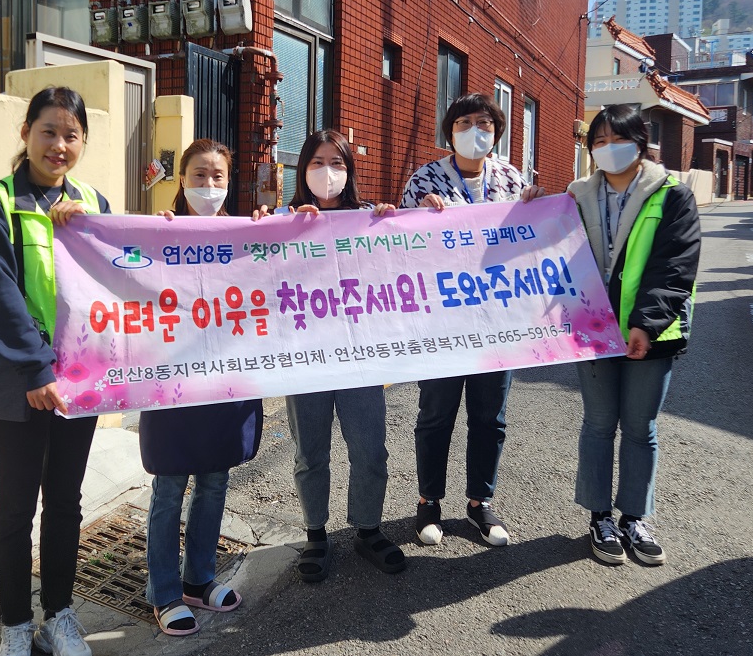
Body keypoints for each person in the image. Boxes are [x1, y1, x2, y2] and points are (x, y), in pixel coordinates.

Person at [0, 86, 111, 656]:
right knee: (15, 505)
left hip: (79, 381)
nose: (59, 145)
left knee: (66, 502)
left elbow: (119, 275)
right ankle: (14, 626)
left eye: (71, 135)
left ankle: (59, 615)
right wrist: (34, 370)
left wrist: (84, 227)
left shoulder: (93, 201)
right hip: (20, 382)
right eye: (48, 131)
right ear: (25, 132)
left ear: (83, 141)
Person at [254, 130, 404, 582]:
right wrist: (266, 226)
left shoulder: (368, 219)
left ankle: (368, 529)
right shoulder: (283, 220)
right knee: (310, 453)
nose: (327, 172)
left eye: (337, 163)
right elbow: (255, 271)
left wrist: (393, 226)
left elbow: (396, 270)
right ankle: (316, 533)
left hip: (359, 359)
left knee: (370, 449)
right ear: (301, 170)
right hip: (305, 361)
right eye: (317, 163)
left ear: (349, 170)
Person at [399, 92, 544, 548]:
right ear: (450, 131)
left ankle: (480, 502)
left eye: (484, 123)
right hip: (441, 323)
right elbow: (401, 248)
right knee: (435, 414)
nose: (474, 131)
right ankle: (428, 502)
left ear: (497, 132)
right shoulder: (424, 180)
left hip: (497, 322)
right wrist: (418, 216)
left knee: (489, 416)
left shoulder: (512, 179)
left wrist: (536, 208)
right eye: (464, 123)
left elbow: (529, 244)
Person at [567, 104, 699, 566]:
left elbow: (675, 267)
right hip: (593, 333)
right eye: (599, 141)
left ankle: (634, 518)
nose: (609, 148)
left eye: (618, 139)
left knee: (641, 428)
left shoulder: (671, 195)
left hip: (652, 334)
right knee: (599, 424)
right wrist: (531, 204)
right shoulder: (576, 196)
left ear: (641, 143)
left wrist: (646, 322)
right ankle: (600, 517)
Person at [141, 138, 263, 635]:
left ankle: (199, 580)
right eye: (199, 175)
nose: (208, 185)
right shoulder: (158, 234)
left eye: (218, 176)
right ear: (181, 179)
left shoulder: (245, 235)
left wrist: (280, 226)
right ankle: (164, 592)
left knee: (214, 481)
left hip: (225, 382)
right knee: (170, 485)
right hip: (172, 381)